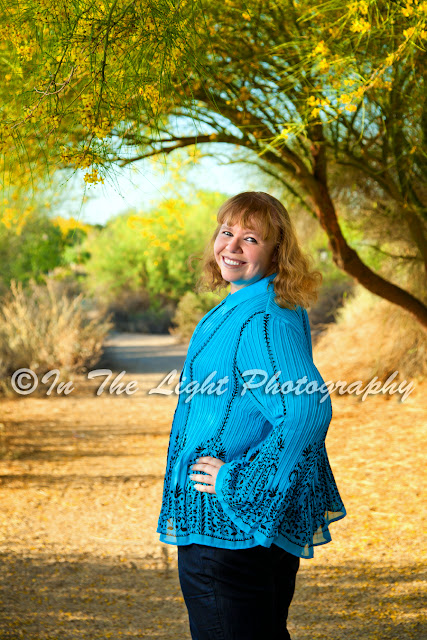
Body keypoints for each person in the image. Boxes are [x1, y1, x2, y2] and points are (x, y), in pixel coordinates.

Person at [157, 192, 347, 639]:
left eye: (251, 238)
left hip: (227, 529)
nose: (232, 246)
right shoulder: (247, 306)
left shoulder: (263, 318)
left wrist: (238, 482)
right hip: (242, 528)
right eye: (227, 233)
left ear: (276, 252)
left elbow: (305, 411)